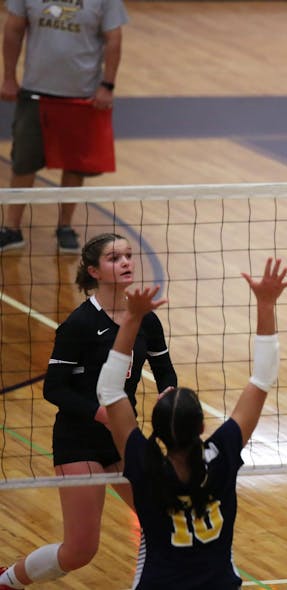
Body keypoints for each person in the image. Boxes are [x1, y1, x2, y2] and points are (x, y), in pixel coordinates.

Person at [93, 257, 287, 588]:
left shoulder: (144, 463)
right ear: (201, 427)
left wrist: (131, 320)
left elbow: (109, 391)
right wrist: (266, 304)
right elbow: (263, 377)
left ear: (156, 430)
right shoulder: (222, 453)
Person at [0, 233, 177, 589]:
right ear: (94, 270)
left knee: (164, 522)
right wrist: (101, 413)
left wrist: (169, 395)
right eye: (115, 258)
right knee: (80, 551)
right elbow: (54, 388)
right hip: (79, 442)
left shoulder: (146, 319)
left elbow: (164, 371)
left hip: (124, 439)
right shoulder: (79, 325)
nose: (127, 262)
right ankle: (7, 581)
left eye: (128, 255)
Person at [0, 0, 128, 253]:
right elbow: (13, 29)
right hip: (35, 92)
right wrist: (8, 77)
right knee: (23, 162)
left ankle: (65, 227)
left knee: (75, 164)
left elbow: (114, 38)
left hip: (82, 97)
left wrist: (108, 85)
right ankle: (12, 229)